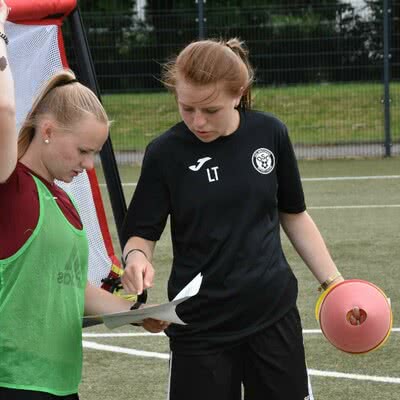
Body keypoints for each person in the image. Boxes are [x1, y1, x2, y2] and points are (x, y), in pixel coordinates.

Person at [120, 38, 364, 399]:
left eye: (211, 110)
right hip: (197, 326)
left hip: (272, 315)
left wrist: (335, 283)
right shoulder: (164, 153)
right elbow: (141, 233)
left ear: (239, 93)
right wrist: (135, 259)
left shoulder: (270, 134)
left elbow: (294, 215)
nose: (198, 121)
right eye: (187, 108)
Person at [0, 2, 168, 399]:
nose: (89, 164)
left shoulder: (65, 204)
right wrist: (0, 28)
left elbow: (72, 290)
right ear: (47, 130)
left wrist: (136, 314)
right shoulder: (8, 184)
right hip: (10, 381)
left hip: (60, 384)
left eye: (95, 153)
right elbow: (5, 108)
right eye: (82, 151)